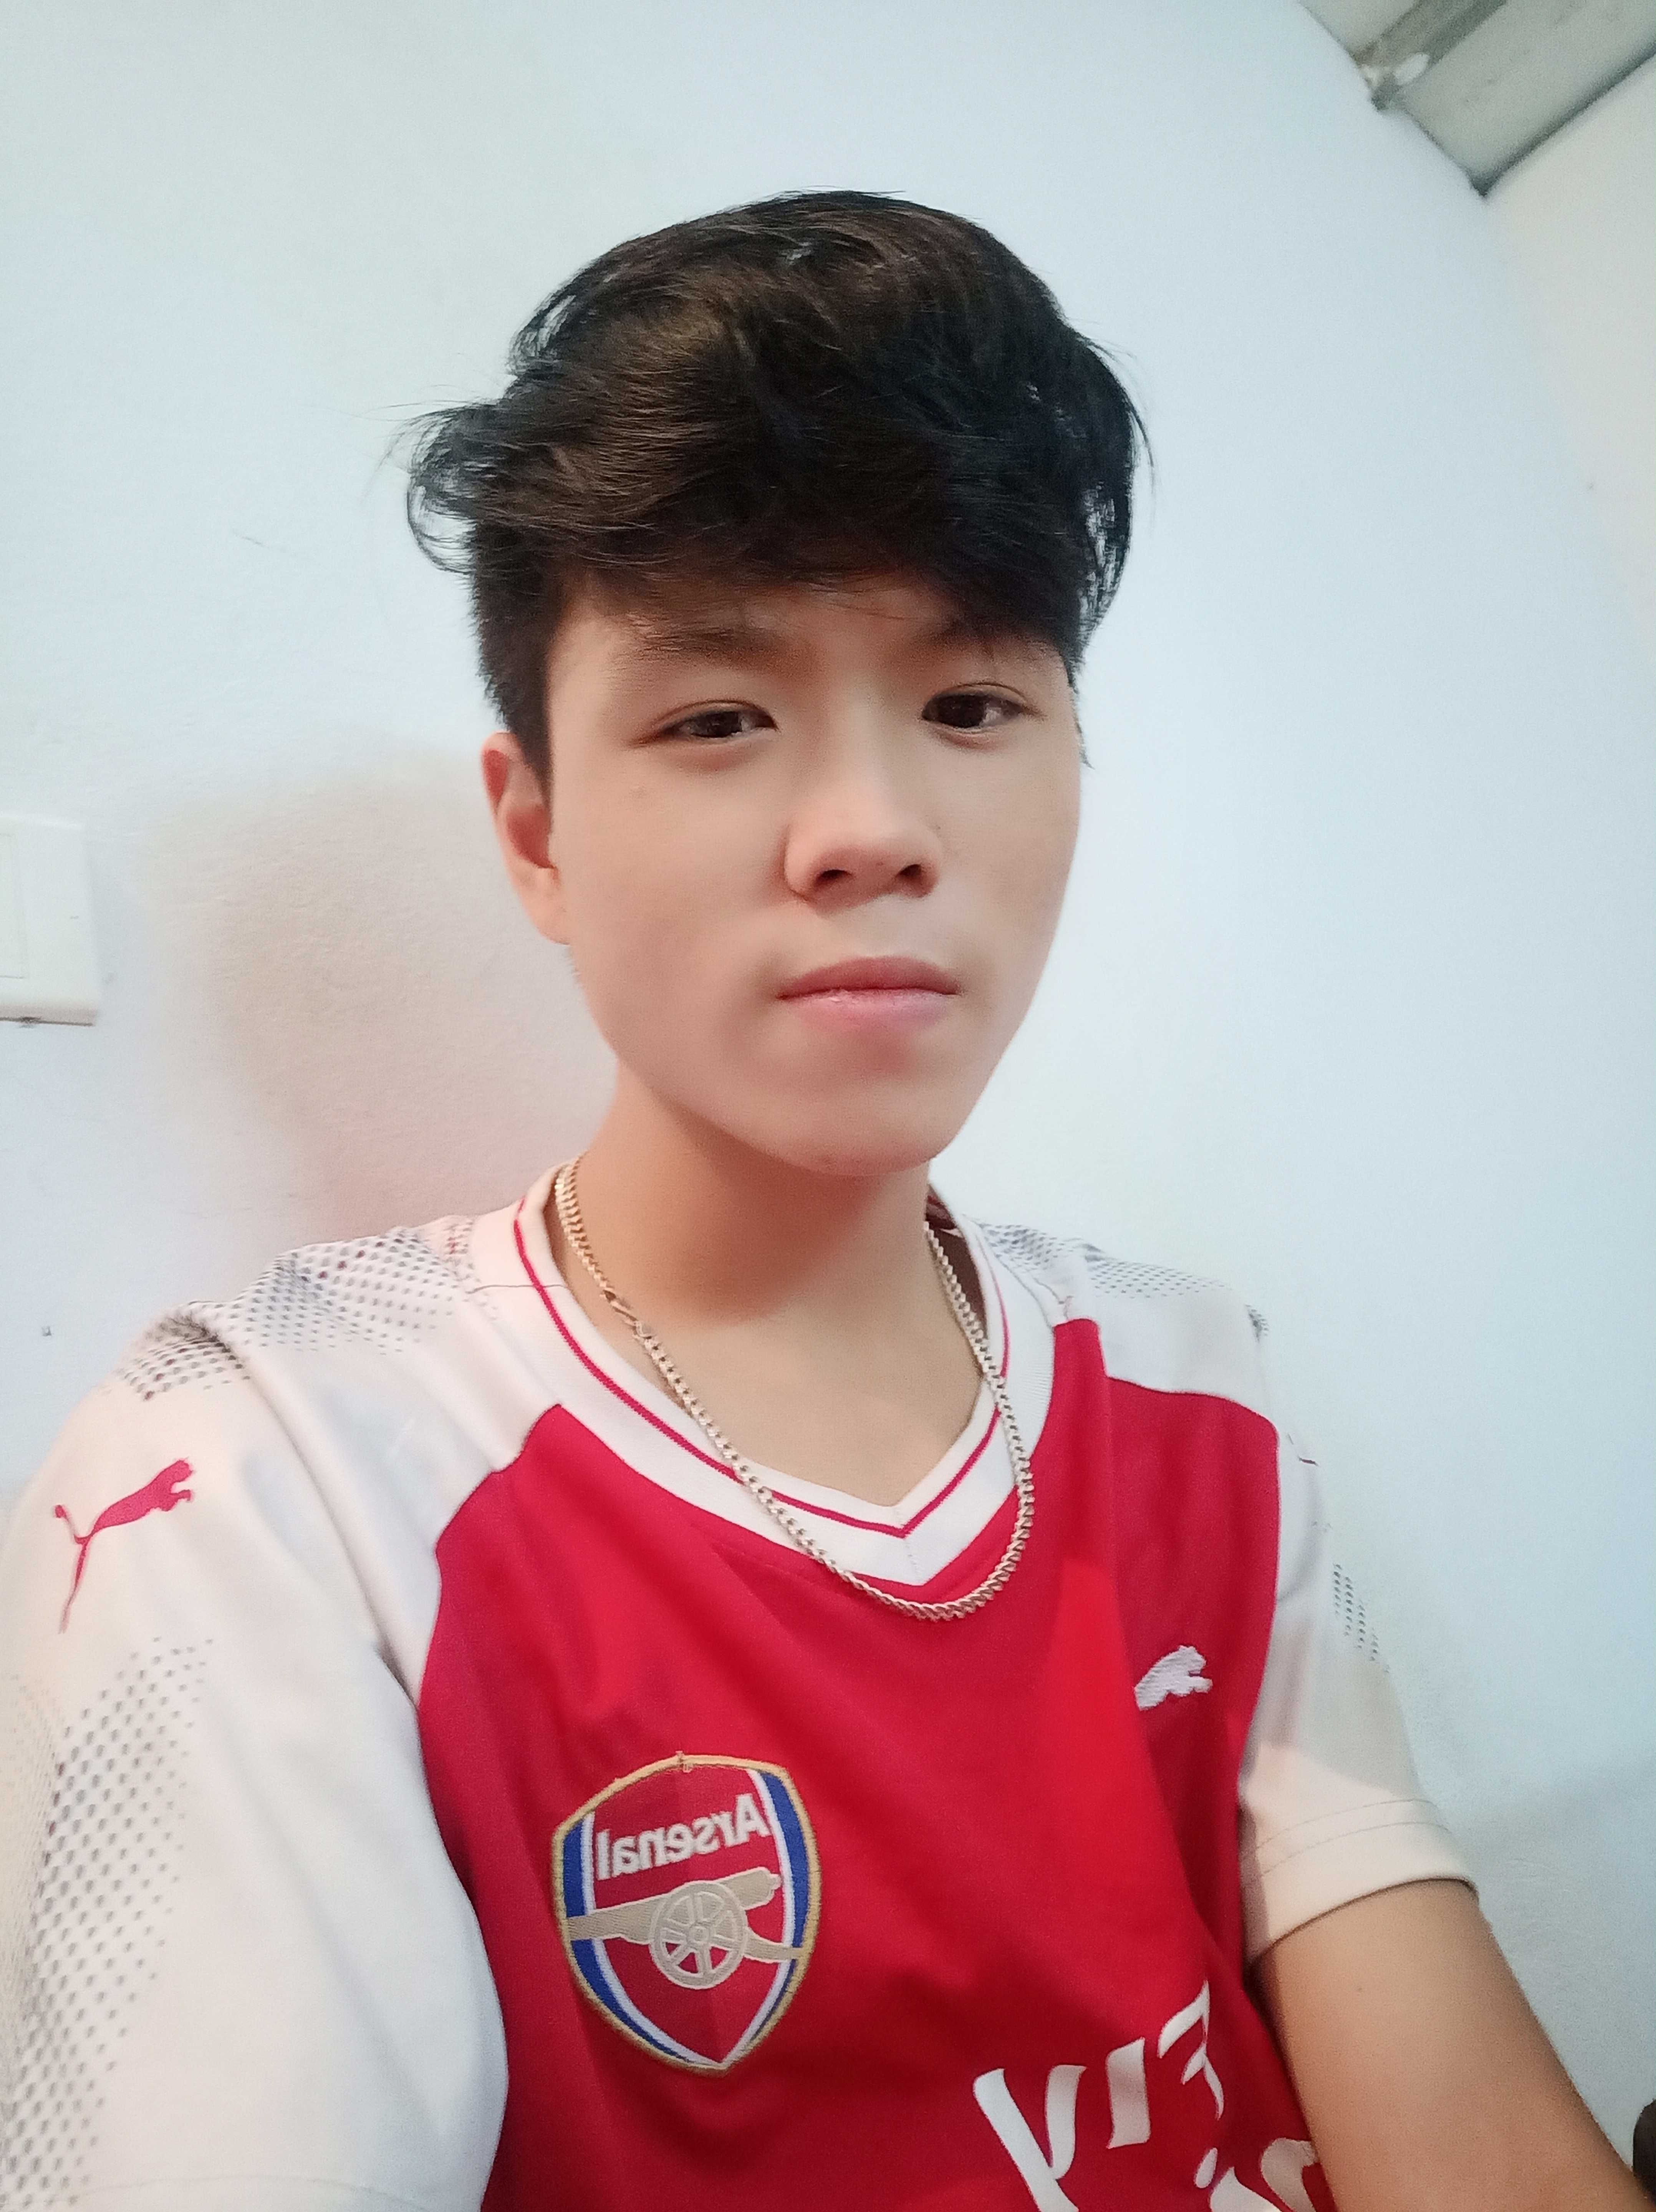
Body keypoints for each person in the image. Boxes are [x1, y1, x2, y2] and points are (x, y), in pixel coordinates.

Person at [0, 189, 1640, 2212]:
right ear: (534, 833)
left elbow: (1465, 2137)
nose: (870, 830)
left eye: (970, 706)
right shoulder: (263, 1481)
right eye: (718, 719)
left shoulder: (1193, 1382)